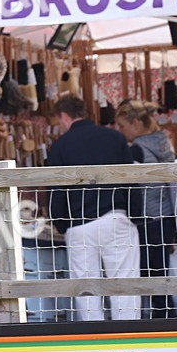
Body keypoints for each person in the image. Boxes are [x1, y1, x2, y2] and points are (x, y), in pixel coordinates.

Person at [45, 94, 141, 321]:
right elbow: (131, 179)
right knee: (124, 286)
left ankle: (93, 339)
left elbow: (56, 190)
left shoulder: (60, 146)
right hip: (114, 218)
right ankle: (129, 337)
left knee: (86, 291)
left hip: (79, 227)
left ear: (64, 116)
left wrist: (61, 223)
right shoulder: (115, 138)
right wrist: (135, 215)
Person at [114, 99, 177, 319]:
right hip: (166, 216)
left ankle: (147, 324)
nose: (120, 132)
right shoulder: (164, 143)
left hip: (146, 219)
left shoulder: (137, 150)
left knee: (144, 277)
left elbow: (130, 186)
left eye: (122, 126)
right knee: (161, 274)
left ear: (135, 123)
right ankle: (167, 319)